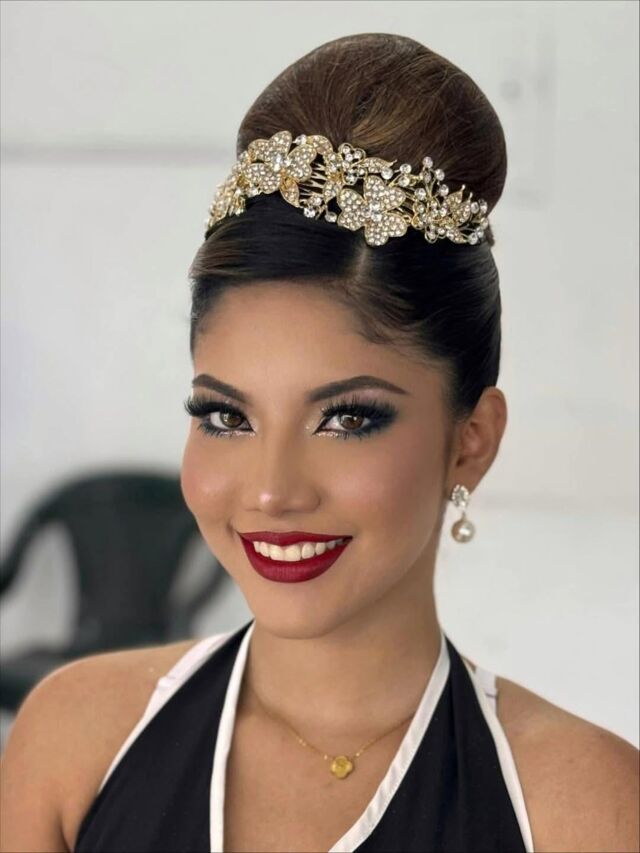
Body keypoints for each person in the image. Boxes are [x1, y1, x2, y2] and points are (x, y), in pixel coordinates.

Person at [1, 32, 638, 853]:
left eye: (348, 418)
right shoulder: (74, 743)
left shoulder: (581, 809)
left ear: (471, 441)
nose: (272, 490)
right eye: (227, 416)